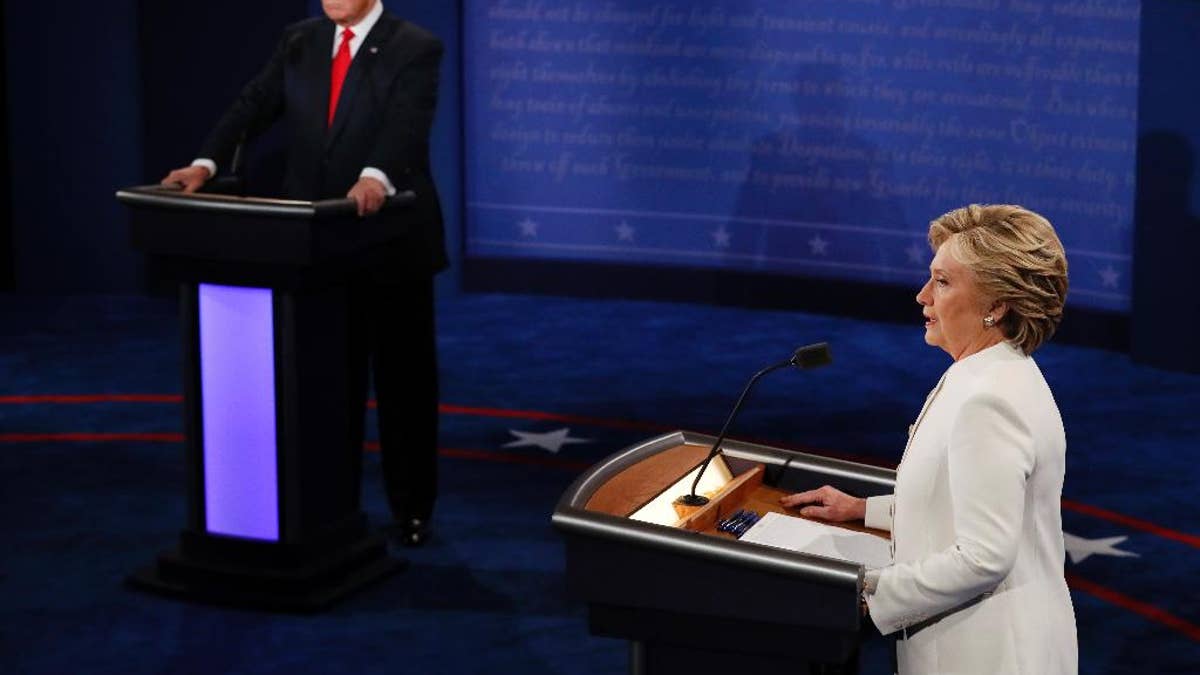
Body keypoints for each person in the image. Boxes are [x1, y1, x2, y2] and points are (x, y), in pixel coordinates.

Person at [162, 0, 445, 546]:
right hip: (315, 245)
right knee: (326, 383)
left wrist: (375, 177)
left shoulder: (415, 46)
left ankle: (412, 507)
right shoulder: (301, 40)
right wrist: (206, 163)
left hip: (390, 241)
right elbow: (253, 106)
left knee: (402, 383)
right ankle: (331, 504)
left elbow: (406, 126)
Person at [781, 204, 1077, 673]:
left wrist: (866, 596)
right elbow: (965, 502)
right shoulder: (989, 373)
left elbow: (983, 557)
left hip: (990, 654)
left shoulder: (989, 401)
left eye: (942, 282)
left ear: (995, 305)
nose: (922, 297)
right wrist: (863, 510)